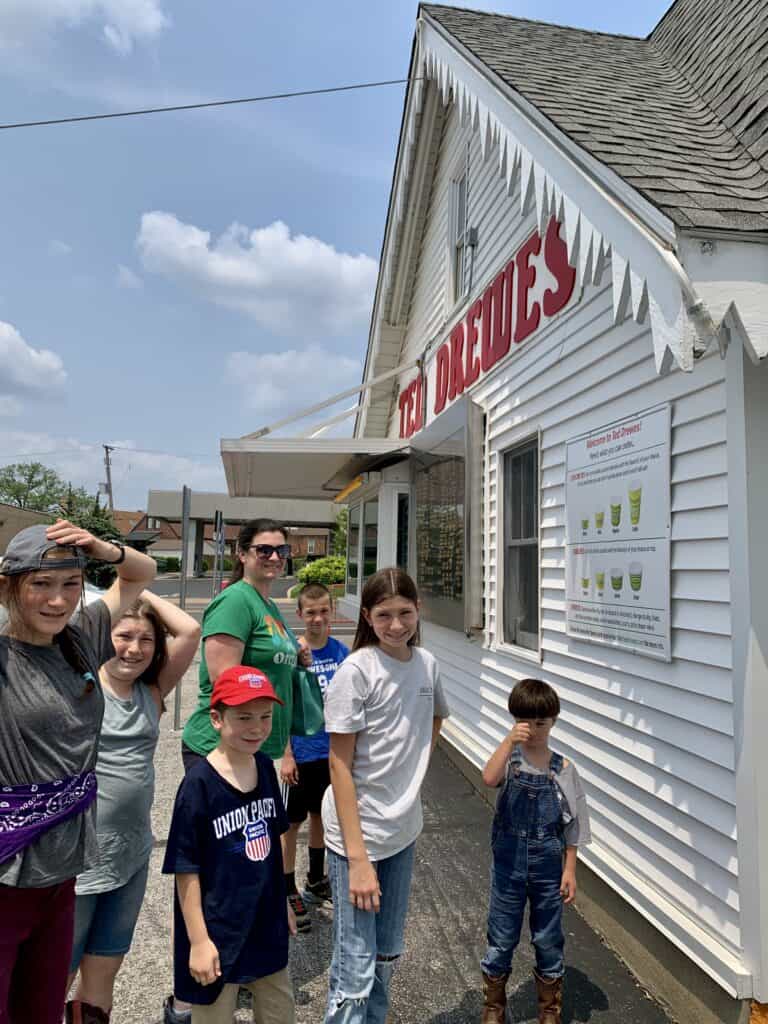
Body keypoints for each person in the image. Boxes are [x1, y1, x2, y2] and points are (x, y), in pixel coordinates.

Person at [0, 521, 156, 1024]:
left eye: (70, 584)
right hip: (7, 874)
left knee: (42, 1009)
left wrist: (101, 547)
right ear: (10, 587)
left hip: (64, 873)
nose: (57, 600)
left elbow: (141, 574)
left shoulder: (81, 639)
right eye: (40, 584)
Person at [166, 519, 310, 1024]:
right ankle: (196, 981)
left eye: (281, 550)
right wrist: (258, 742)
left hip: (258, 755)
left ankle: (243, 959)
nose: (274, 557)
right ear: (242, 554)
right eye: (264, 549)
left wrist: (284, 743)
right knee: (215, 867)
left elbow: (275, 682)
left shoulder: (271, 606)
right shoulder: (235, 601)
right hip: (219, 753)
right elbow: (230, 684)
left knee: (254, 857)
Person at [65, 592, 201, 1024]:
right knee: (55, 977)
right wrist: (121, 588)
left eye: (146, 640)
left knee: (103, 976)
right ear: (105, 637)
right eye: (124, 636)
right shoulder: (79, 684)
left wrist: (139, 591)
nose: (135, 649)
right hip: (76, 864)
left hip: (130, 858)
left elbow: (190, 630)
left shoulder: (153, 690)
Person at [321, 567, 449, 1024]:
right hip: (356, 835)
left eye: (405, 613)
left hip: (403, 831)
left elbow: (435, 718)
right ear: (367, 616)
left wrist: (413, 766)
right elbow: (339, 764)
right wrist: (357, 860)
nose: (396, 625)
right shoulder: (356, 671)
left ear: (419, 611)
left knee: (387, 957)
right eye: (384, 615)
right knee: (354, 967)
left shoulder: (427, 664)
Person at [162, 664, 297, 1024]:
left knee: (280, 1012)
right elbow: (185, 869)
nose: (257, 727)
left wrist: (282, 899)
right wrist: (198, 941)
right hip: (219, 932)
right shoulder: (198, 785)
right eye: (244, 717)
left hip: (266, 925)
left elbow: (274, 840)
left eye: (266, 716)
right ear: (217, 719)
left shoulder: (266, 768)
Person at [479, 678, 591, 1024]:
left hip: (548, 865)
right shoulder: (509, 760)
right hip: (509, 863)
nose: (534, 730)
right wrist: (507, 740)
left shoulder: (564, 769)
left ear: (554, 721)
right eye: (526, 722)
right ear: (515, 721)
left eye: (541, 722)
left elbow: (574, 824)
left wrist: (569, 869)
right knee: (501, 934)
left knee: (547, 936)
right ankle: (494, 1006)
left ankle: (549, 1010)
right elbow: (488, 778)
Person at [281, 582, 349, 933]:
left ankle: (316, 877)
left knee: (322, 815)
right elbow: (285, 705)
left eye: (324, 611)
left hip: (331, 752)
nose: (318, 618)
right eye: (311, 612)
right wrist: (287, 753)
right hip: (301, 752)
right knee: (291, 823)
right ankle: (286, 884)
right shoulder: (293, 652)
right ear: (301, 615)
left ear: (333, 612)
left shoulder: (342, 653)